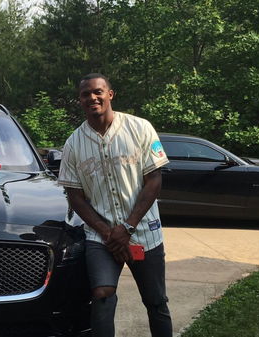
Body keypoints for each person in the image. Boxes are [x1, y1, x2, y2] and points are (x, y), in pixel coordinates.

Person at [58, 73, 172, 337]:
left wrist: (128, 227)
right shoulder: (73, 144)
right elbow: (74, 195)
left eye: (98, 91)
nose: (92, 98)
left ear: (110, 94)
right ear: (80, 100)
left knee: (155, 301)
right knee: (102, 294)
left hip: (144, 233)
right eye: (86, 94)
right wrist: (109, 232)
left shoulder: (140, 128)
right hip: (102, 237)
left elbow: (154, 179)